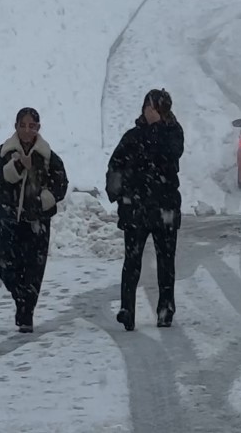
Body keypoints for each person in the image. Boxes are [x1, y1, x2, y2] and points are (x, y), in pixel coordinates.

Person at [105, 88, 184, 331]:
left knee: (165, 260)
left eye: (153, 107)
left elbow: (171, 153)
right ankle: (127, 309)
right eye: (146, 106)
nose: (148, 110)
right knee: (132, 260)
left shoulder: (173, 133)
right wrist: (117, 193)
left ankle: (165, 308)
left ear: (163, 110)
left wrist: (157, 128)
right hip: (136, 208)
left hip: (164, 207)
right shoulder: (132, 136)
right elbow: (115, 165)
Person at [0, 107, 68, 333]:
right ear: (15, 127)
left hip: (37, 221)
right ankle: (20, 298)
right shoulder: (3, 153)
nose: (27, 130)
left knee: (34, 269)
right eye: (23, 125)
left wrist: (47, 198)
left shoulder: (47, 156)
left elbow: (61, 183)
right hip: (9, 218)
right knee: (7, 267)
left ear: (38, 129)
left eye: (31, 126)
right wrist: (18, 166)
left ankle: (26, 314)